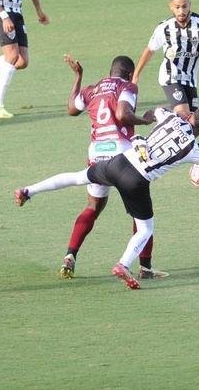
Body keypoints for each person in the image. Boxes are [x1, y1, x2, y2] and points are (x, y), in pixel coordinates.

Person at [14, 106, 199, 289]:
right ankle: (124, 265)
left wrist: (150, 129)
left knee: (78, 177)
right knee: (145, 229)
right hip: (136, 180)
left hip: (119, 162)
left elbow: (153, 111)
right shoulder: (194, 148)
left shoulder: (171, 117)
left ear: (190, 115)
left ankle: (28, 191)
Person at [58, 53, 163, 281]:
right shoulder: (128, 86)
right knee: (141, 215)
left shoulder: (93, 89)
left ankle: (70, 256)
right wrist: (145, 120)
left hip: (97, 153)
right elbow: (122, 114)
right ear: (127, 74)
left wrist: (78, 76)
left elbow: (72, 109)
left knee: (93, 207)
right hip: (123, 156)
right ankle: (145, 268)